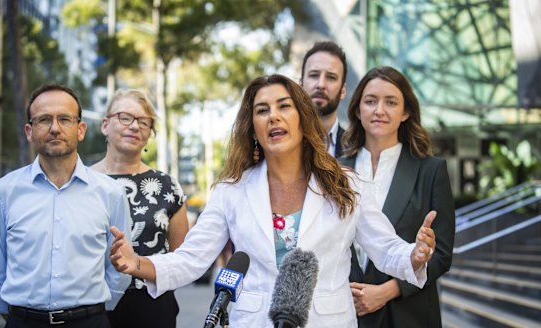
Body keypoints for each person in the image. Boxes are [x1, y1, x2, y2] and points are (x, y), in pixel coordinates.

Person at [109, 74, 437, 327]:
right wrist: (136, 263)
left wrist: (415, 254)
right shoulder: (232, 190)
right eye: (262, 110)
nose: (273, 117)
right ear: (253, 128)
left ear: (301, 118)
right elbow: (192, 259)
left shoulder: (346, 184)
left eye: (284, 106)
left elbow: (386, 249)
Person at [0, 84, 132, 328]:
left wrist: (99, 309)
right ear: (29, 131)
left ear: (80, 129)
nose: (54, 128)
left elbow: (119, 265)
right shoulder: (3, 191)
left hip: (90, 322)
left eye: (64, 119)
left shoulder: (111, 193)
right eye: (44, 120)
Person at [339, 66, 455, 328]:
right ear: (358, 110)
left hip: (408, 315)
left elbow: (442, 255)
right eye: (370, 101)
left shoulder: (431, 170)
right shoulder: (334, 170)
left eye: (390, 102)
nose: (379, 110)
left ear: (405, 112)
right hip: (346, 312)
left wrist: (387, 291)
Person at [91, 89, 189, 328]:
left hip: (152, 308)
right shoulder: (81, 183)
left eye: (144, 122)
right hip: (90, 306)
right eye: (125, 117)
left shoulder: (168, 187)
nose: (134, 126)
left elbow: (182, 260)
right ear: (105, 125)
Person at [300, 41, 347, 158]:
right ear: (300, 86)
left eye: (331, 77)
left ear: (343, 91)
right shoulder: (280, 143)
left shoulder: (357, 148)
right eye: (314, 75)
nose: (321, 84)